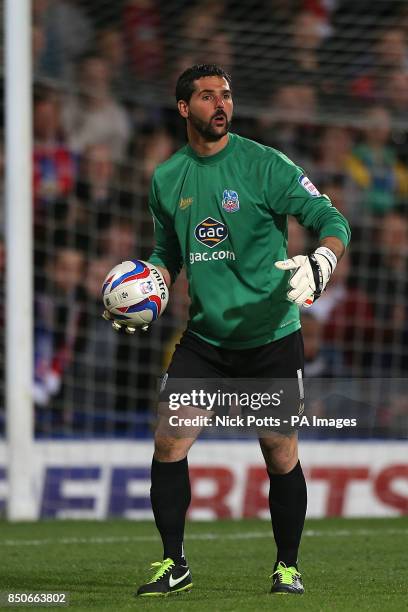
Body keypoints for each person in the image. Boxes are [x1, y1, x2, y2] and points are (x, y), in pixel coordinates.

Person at [104, 64, 350, 596]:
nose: (221, 104)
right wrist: (146, 287)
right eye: (208, 96)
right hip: (207, 339)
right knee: (168, 441)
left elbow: (332, 219)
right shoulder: (167, 177)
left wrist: (323, 261)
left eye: (227, 95)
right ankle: (175, 564)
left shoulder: (265, 164)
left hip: (271, 335)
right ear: (183, 108)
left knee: (279, 452)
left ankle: (287, 567)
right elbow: (168, 251)